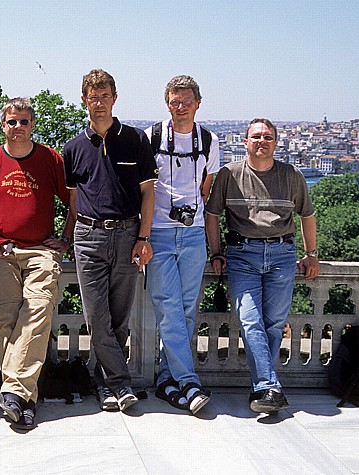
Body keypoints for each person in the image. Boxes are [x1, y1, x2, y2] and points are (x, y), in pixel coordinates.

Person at [0, 97, 73, 430]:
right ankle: (24, 402)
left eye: (24, 121)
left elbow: (75, 202)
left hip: (41, 251)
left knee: (37, 313)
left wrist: (65, 239)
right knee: (5, 321)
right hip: (0, 251)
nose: (18, 127)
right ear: (3, 125)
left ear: (33, 125)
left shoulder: (50, 159)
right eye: (12, 121)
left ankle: (11, 392)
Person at [205, 118, 320, 413]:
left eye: (268, 137)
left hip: (282, 254)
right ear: (245, 142)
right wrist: (216, 253)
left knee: (273, 324)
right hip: (242, 253)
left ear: (276, 143)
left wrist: (312, 253)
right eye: (256, 137)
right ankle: (269, 387)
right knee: (250, 319)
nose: (262, 141)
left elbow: (307, 215)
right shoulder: (230, 174)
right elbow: (212, 215)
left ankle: (264, 388)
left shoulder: (291, 175)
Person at [63, 69, 157, 413]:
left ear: (115, 99)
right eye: (93, 96)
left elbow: (148, 193)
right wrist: (66, 236)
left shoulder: (135, 140)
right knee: (97, 319)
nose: (99, 103)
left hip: (128, 235)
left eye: (104, 96)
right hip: (88, 237)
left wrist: (143, 237)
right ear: (83, 100)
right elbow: (73, 201)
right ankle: (121, 382)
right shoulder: (73, 148)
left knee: (119, 318)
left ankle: (105, 386)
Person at [144, 75, 219, 415]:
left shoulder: (209, 140)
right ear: (167, 103)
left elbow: (207, 187)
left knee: (187, 309)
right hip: (159, 231)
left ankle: (166, 380)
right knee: (167, 306)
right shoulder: (152, 137)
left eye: (186, 101)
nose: (181, 107)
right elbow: (143, 189)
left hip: (192, 233)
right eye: (175, 102)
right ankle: (189, 381)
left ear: (198, 103)